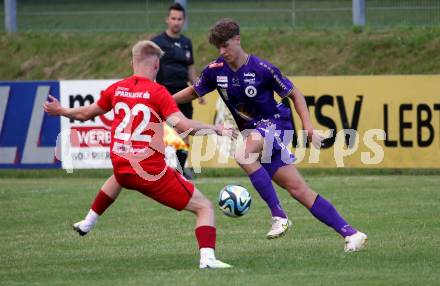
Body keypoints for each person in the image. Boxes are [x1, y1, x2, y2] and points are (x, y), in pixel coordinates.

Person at [173, 18, 367, 252]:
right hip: (258, 132)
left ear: (237, 39)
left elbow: (296, 95)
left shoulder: (263, 69)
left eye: (226, 45)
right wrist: (165, 101)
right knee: (298, 190)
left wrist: (308, 128)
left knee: (243, 153)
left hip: (276, 124)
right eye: (219, 48)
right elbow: (194, 91)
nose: (223, 51)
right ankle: (351, 233)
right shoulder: (216, 71)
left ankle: (279, 215)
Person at [43, 40, 232, 268]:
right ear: (156, 65)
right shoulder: (158, 92)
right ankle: (208, 259)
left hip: (121, 165)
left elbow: (85, 113)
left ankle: (88, 221)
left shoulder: (117, 88)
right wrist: (216, 129)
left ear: (132, 61)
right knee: (205, 207)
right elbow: (182, 126)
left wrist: (60, 110)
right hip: (150, 173)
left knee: (119, 177)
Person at [152, 3, 204, 179]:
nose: (176, 22)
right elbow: (149, 67)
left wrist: (198, 89)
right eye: (173, 18)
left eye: (179, 19)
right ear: (168, 20)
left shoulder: (186, 43)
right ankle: (154, 168)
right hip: (163, 93)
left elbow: (190, 69)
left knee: (185, 131)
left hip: (183, 94)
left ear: (184, 21)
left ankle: (181, 170)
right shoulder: (156, 43)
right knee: (159, 132)